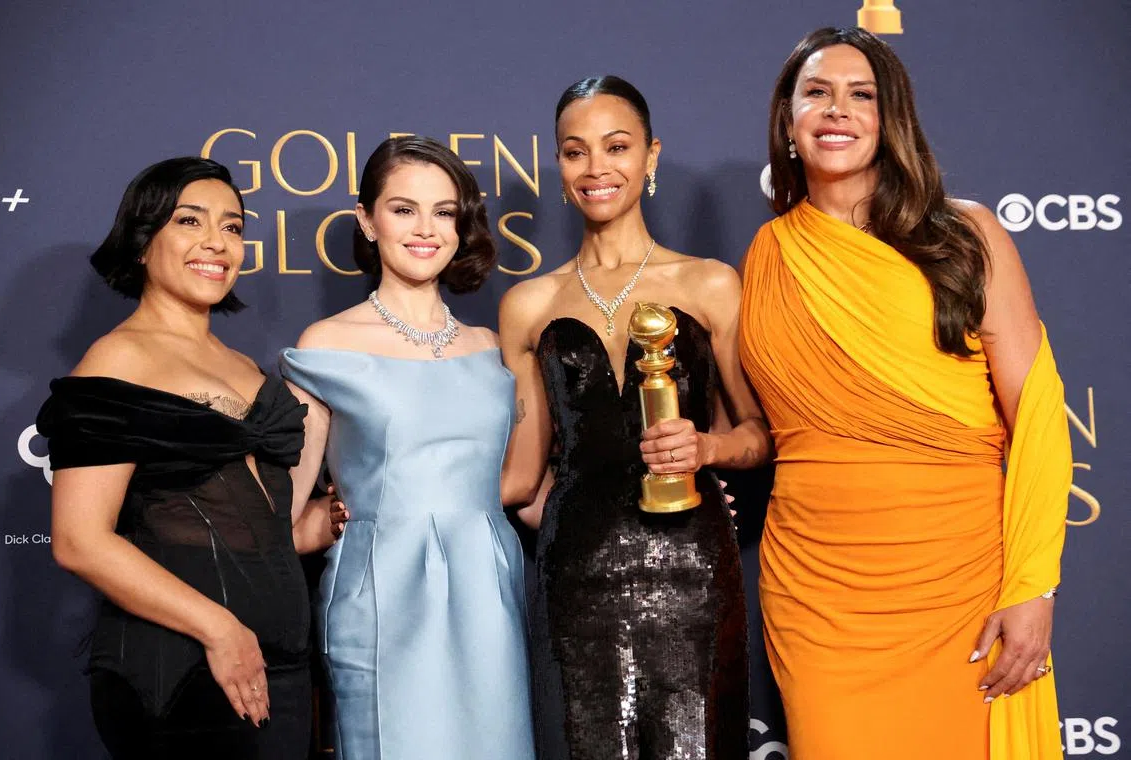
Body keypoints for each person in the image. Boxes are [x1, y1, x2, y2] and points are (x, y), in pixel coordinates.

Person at [738, 27, 1072, 760]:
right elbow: (769, 428)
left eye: (862, 96)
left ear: (891, 121)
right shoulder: (768, 256)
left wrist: (1033, 589)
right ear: (788, 123)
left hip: (960, 584)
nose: (838, 112)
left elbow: (1040, 418)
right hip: (818, 594)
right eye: (816, 94)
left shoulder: (966, 234)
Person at [500, 76, 771, 759]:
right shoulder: (529, 305)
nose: (596, 168)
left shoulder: (709, 284)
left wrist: (705, 449)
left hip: (692, 570)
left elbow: (758, 436)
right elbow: (523, 477)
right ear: (558, 166)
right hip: (575, 578)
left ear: (650, 157)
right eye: (574, 151)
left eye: (616, 147)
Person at [36, 157, 344, 759]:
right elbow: (78, 540)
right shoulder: (119, 359)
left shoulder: (246, 367)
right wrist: (219, 630)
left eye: (232, 227)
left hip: (275, 663)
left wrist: (317, 523)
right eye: (190, 221)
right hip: (181, 668)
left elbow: (250, 528)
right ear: (143, 241)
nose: (216, 243)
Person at [279, 136, 535, 760]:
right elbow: (280, 511)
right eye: (403, 209)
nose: (426, 229)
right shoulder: (327, 343)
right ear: (367, 220)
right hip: (382, 592)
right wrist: (315, 522)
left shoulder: (488, 347)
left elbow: (524, 485)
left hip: (488, 592)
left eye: (444, 212)